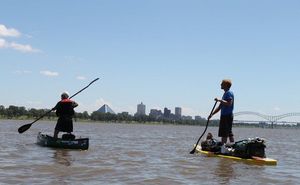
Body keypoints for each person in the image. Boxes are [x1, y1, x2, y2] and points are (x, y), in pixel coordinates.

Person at [208, 79, 234, 145]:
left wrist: (219, 100)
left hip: (227, 116)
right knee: (229, 133)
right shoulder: (225, 93)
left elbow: (229, 103)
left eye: (222, 83)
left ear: (226, 85)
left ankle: (223, 149)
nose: (220, 85)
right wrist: (212, 114)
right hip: (225, 116)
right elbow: (220, 107)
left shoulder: (229, 93)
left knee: (224, 133)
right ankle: (232, 147)